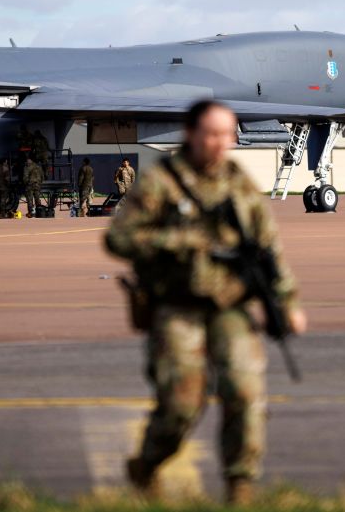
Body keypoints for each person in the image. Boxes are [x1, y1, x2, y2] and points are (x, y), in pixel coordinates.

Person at [105, 100, 308, 505]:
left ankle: (240, 486)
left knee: (245, 394)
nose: (220, 143)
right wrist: (180, 242)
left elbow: (267, 248)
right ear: (191, 134)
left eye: (227, 134)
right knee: (181, 404)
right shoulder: (162, 182)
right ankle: (146, 465)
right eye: (212, 134)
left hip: (230, 306)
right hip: (177, 306)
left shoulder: (239, 184)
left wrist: (287, 301)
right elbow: (118, 238)